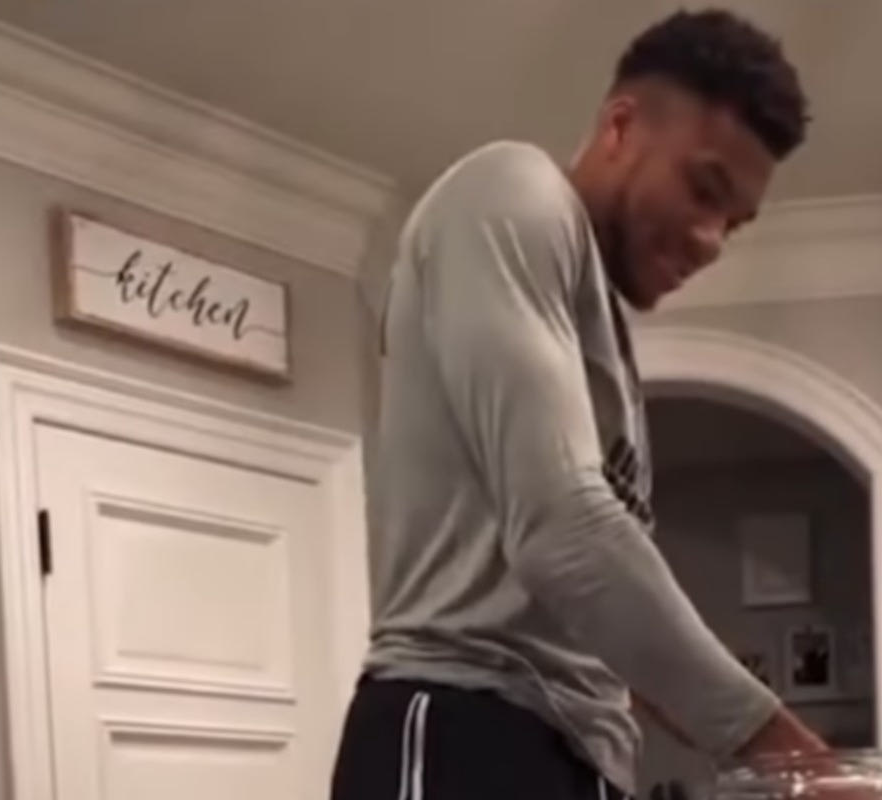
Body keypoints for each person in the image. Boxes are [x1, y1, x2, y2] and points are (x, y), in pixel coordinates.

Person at [333, 9, 825, 800]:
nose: (710, 240)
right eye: (704, 189)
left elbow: (598, 611)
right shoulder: (511, 192)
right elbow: (566, 534)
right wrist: (800, 761)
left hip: (576, 752)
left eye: (733, 224)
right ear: (620, 127)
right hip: (465, 723)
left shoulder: (600, 334)